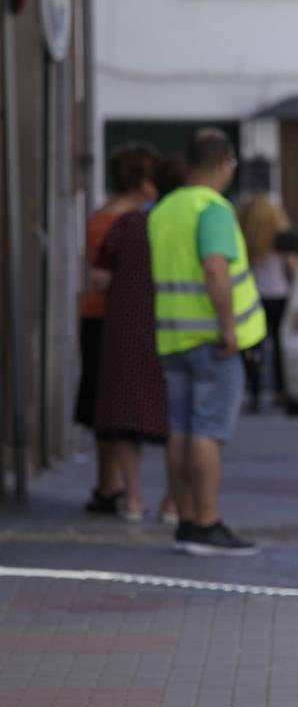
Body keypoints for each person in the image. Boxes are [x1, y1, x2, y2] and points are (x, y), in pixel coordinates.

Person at [148, 128, 265, 556]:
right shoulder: (212, 208)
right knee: (207, 432)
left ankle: (184, 519)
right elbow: (215, 270)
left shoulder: (164, 210)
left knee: (179, 430)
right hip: (213, 340)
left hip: (173, 336)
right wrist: (229, 327)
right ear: (223, 163)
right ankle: (207, 521)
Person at [80, 143, 163, 520]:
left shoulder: (100, 216)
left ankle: (107, 484)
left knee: (103, 404)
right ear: (145, 182)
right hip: (124, 318)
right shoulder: (139, 222)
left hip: (94, 315)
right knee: (122, 402)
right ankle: (116, 487)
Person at [239, 192, 298, 411]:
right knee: (280, 346)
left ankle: (254, 392)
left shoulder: (246, 238)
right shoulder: (282, 238)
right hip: (280, 296)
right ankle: (281, 390)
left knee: (255, 348)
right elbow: (292, 268)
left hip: (255, 297)